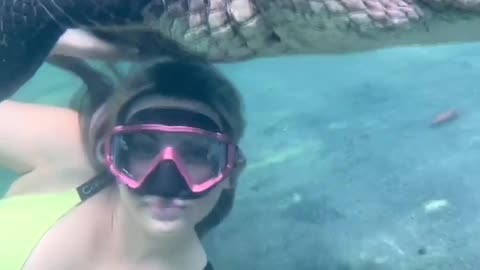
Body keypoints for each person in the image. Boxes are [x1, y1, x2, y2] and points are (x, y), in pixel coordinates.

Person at [0, 58, 247, 270]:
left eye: (196, 154)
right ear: (106, 152)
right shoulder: (71, 150)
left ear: (231, 172)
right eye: (143, 147)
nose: (166, 182)